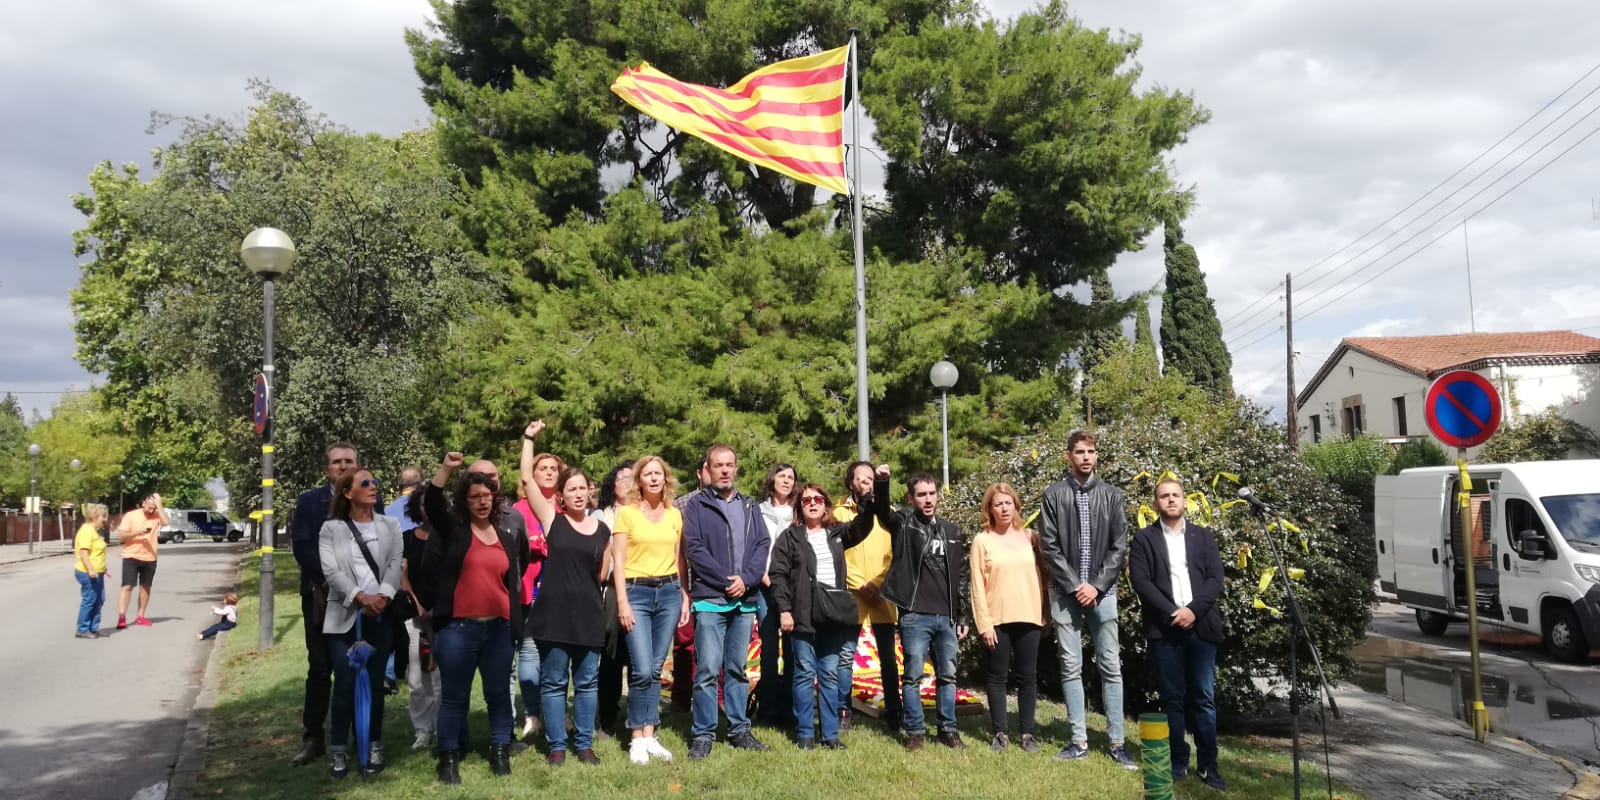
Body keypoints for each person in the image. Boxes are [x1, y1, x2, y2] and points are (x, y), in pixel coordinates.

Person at [420, 452, 531, 784]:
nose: (482, 502)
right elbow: (432, 501)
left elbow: (515, 576)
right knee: (455, 698)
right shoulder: (455, 531)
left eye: (487, 496)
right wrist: (446, 469)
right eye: (474, 497)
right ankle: (448, 759)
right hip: (458, 630)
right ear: (464, 502)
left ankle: (500, 753)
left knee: (498, 694)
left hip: (498, 630)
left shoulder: (506, 537)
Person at [1038, 430, 1137, 768]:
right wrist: (1074, 584)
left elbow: (1119, 545)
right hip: (1065, 595)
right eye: (1079, 451)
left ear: (1097, 456)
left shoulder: (1111, 495)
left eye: (1091, 452)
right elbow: (1048, 545)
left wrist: (1095, 585)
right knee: (1070, 667)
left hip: (1103, 594)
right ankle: (1078, 740)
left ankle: (1116, 742)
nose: (1086, 457)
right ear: (1069, 456)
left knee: (1111, 667)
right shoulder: (1053, 495)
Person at [520, 421, 612, 766]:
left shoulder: (602, 529)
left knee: (587, 684)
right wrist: (529, 439)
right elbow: (528, 480)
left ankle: (584, 744)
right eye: (569, 489)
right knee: (554, 682)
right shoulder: (551, 520)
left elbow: (602, 575)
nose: (576, 494)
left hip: (589, 615)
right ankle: (557, 745)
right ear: (560, 495)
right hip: (554, 615)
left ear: (589, 493)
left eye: (581, 489)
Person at [1129, 478, 1227, 791]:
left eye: (1176, 495)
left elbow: (1215, 578)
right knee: (1172, 699)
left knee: (1204, 699)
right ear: (1155, 503)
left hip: (1201, 626)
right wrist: (1174, 612)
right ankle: (1178, 760)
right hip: (1165, 629)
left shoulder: (1203, 536)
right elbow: (1141, 582)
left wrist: (1192, 611)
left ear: (1185, 501)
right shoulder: (1144, 539)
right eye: (1164, 496)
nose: (1170, 500)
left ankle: (1209, 766)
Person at [868, 465, 969, 751]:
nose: (928, 499)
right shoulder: (904, 524)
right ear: (911, 499)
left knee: (947, 675)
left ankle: (948, 730)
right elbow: (882, 512)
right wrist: (882, 482)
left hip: (946, 616)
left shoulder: (951, 530)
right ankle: (915, 732)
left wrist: (962, 614)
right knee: (912, 676)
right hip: (915, 616)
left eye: (932, 494)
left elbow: (961, 576)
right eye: (921, 495)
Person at [682, 444, 772, 760]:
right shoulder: (696, 506)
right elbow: (694, 549)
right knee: (707, 669)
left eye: (729, 465)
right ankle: (703, 734)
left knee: (736, 668)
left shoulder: (750, 506)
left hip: (744, 600)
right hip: (710, 599)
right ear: (708, 469)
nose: (724, 470)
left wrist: (745, 580)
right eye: (718, 465)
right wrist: (726, 580)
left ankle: (739, 730)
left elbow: (763, 544)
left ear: (736, 468)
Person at [769, 483, 875, 750]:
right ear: (799, 507)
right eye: (806, 501)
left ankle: (830, 735)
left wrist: (866, 500)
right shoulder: (790, 538)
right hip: (802, 616)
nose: (813, 503)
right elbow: (778, 576)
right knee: (804, 674)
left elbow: (863, 527)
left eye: (818, 499)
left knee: (828, 674)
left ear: (826, 505)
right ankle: (805, 733)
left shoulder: (837, 532)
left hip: (832, 616)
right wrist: (784, 609)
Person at [319, 467, 404, 779]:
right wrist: (359, 596)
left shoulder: (390, 525)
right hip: (344, 617)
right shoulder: (331, 529)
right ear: (347, 492)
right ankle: (339, 750)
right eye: (364, 483)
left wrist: (382, 596)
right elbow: (331, 572)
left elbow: (396, 564)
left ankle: (373, 745)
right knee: (344, 684)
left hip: (379, 616)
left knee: (377, 684)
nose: (373, 487)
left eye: (375, 482)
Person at [611, 454, 688, 764]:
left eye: (659, 473)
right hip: (636, 593)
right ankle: (636, 737)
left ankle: (650, 734)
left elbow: (679, 557)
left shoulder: (674, 515)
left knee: (655, 669)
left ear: (665, 479)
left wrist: (683, 594)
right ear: (639, 480)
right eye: (648, 474)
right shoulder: (626, 514)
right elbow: (617, 562)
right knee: (641, 668)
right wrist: (622, 603)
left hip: (669, 592)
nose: (654, 478)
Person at [289, 443, 360, 766]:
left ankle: (360, 733)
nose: (343, 466)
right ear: (326, 469)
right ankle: (313, 737)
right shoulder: (309, 502)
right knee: (320, 668)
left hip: (361, 599)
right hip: (321, 596)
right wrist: (333, 579)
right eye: (337, 462)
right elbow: (302, 547)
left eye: (350, 461)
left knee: (358, 667)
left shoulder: (370, 496)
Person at [970, 483, 1047, 752]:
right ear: (989, 508)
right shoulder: (982, 541)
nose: (1003, 508)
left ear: (1016, 505)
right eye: (998, 504)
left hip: (1029, 615)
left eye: (1008, 503)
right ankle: (1000, 733)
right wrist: (984, 624)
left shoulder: (1031, 537)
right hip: (997, 618)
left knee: (1028, 676)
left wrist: (1045, 613)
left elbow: (1044, 576)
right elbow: (977, 585)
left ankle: (1027, 734)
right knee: (997, 676)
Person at [833, 460, 902, 733]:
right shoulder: (838, 513)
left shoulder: (890, 513)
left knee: (888, 656)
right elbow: (837, 554)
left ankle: (895, 711)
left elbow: (896, 554)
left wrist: (878, 583)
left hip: (882, 594)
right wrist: (861, 584)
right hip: (852, 594)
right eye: (862, 479)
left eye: (871, 479)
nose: (868, 483)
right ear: (851, 483)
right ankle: (843, 710)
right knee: (845, 656)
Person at [509, 452, 558, 745]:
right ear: (532, 474)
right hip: (530, 589)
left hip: (562, 593)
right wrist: (538, 544)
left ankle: (555, 712)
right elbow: (514, 545)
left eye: (554, 469)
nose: (549, 473)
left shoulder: (568, 506)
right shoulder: (518, 509)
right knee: (529, 655)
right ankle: (532, 714)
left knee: (557, 656)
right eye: (543, 468)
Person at [755, 462, 797, 724]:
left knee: (794, 649)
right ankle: (768, 709)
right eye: (782, 476)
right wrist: (762, 574)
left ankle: (790, 708)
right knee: (769, 648)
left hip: (793, 588)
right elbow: (751, 546)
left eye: (791, 477)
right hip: (764, 585)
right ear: (772, 480)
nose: (787, 481)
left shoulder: (799, 511)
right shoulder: (757, 512)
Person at [400, 490, 441, 751]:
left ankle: (442, 728)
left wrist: (437, 609)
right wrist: (416, 604)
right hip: (413, 615)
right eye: (424, 504)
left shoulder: (449, 537)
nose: (429, 508)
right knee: (416, 678)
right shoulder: (406, 539)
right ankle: (423, 730)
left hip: (444, 616)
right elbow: (400, 573)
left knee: (441, 676)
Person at [669, 458, 710, 712]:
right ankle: (681, 699)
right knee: (684, 644)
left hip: (716, 587)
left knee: (715, 645)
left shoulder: (731, 504)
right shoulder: (680, 505)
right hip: (686, 584)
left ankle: (716, 699)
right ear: (699, 473)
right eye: (709, 467)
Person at [115, 493, 168, 630]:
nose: (151, 511)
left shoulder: (157, 514)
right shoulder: (131, 516)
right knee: (127, 586)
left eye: (153, 508)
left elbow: (166, 522)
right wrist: (137, 532)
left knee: (145, 587)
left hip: (150, 557)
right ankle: (122, 616)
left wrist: (160, 506)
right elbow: (121, 536)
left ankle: (140, 615)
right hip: (131, 555)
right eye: (149, 508)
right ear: (143, 503)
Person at [73, 503, 109, 639]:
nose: (104, 519)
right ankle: (82, 629)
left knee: (99, 599)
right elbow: (83, 552)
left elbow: (96, 552)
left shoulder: (93, 530)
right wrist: (91, 569)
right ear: (94, 516)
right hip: (87, 572)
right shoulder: (87, 530)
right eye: (103, 516)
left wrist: (102, 567)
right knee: (90, 599)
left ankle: (94, 628)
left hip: (97, 572)